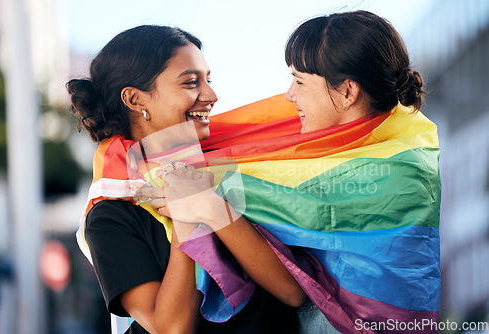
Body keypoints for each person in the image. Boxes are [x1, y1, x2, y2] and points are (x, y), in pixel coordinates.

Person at [146, 10, 441, 334]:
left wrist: (210, 205)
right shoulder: (321, 159)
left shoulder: (398, 174)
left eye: (299, 81)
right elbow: (294, 281)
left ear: (347, 92)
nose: (289, 95)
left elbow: (302, 289)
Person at [67, 25, 301, 334]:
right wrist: (185, 217)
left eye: (208, 80)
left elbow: (292, 293)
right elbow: (171, 328)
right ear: (135, 99)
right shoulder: (111, 214)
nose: (212, 95)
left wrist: (211, 206)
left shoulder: (230, 173)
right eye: (191, 82)